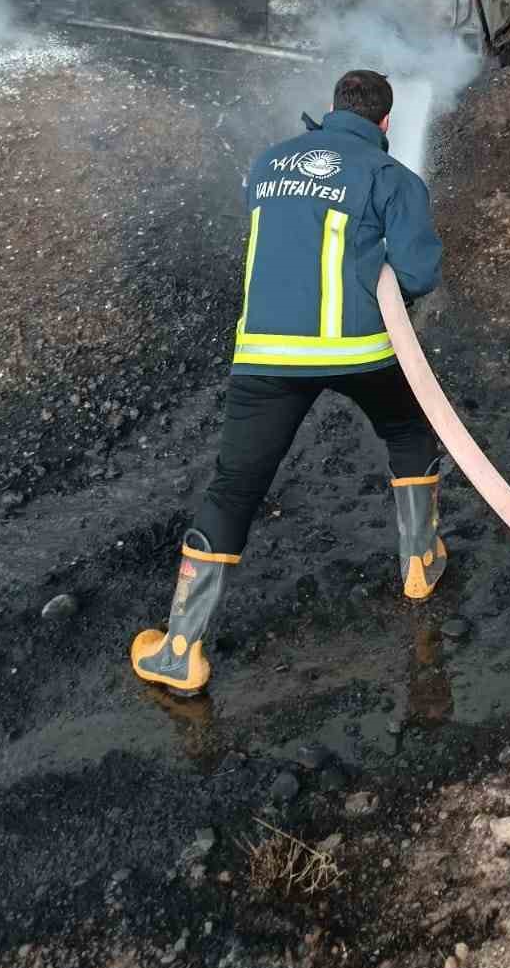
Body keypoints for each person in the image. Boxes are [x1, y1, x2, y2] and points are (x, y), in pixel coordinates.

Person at [131, 69, 446, 695]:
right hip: (361, 351)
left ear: (332, 110)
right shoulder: (391, 176)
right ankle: (421, 563)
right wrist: (374, 266)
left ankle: (179, 651)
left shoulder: (267, 164)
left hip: (265, 356)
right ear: (386, 123)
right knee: (410, 433)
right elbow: (418, 272)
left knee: (233, 489)